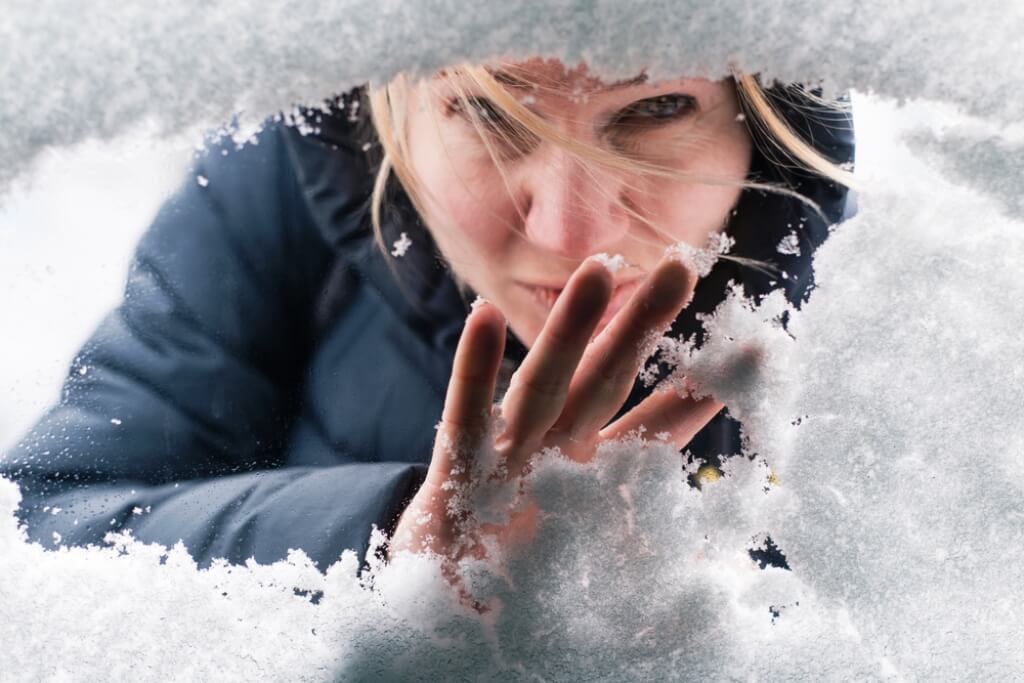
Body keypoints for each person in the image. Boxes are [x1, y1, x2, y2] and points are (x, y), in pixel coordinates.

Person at [0, 59, 855, 571]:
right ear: (389, 103)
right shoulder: (277, 182)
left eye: (656, 108)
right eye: (489, 111)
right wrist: (386, 542)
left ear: (770, 120)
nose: (573, 233)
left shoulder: (892, 322)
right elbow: (38, 528)